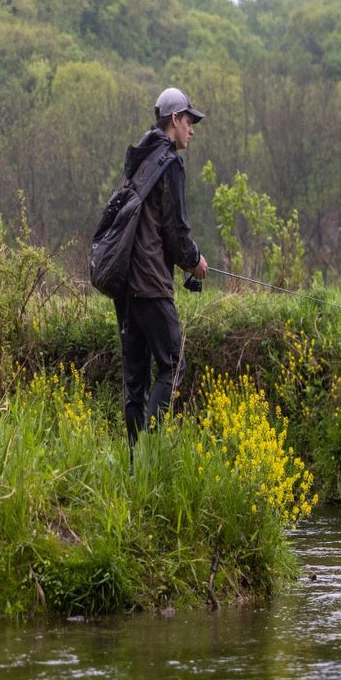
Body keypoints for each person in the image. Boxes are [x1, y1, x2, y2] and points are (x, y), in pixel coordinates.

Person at [116, 87, 209, 451]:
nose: (193, 130)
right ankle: (152, 451)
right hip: (151, 284)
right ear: (175, 120)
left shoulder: (139, 161)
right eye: (190, 121)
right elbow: (177, 231)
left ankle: (135, 465)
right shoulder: (169, 163)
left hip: (126, 288)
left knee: (135, 383)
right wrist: (194, 261)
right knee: (174, 363)